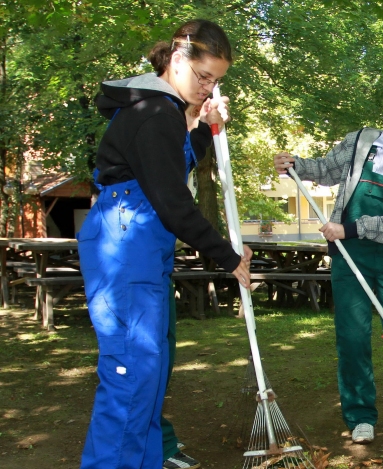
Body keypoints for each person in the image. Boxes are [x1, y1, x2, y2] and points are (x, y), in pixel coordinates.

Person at [77, 19, 251, 469]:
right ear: (178, 59)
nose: (208, 88)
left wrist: (206, 128)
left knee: (149, 375)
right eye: (203, 77)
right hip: (124, 242)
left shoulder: (163, 113)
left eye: (216, 81)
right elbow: (173, 201)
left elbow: (171, 166)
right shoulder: (153, 114)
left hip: (140, 244)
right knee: (132, 375)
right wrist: (229, 257)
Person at [273, 98, 383, 444]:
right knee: (352, 338)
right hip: (348, 259)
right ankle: (360, 416)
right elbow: (325, 170)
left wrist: (349, 228)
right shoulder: (360, 142)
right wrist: (294, 164)